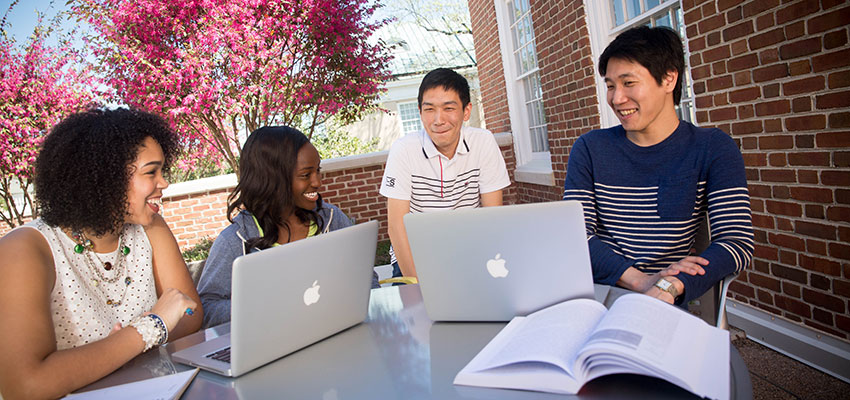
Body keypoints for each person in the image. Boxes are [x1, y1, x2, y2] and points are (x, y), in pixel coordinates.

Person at [0, 109, 201, 399]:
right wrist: (149, 329)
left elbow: (191, 313)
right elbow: (24, 386)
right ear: (106, 178)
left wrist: (113, 351)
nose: (164, 183)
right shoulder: (25, 248)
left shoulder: (150, 226)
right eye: (151, 172)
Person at [563, 26, 754, 305]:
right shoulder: (590, 148)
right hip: (594, 295)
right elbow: (575, 234)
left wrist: (671, 284)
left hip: (663, 301)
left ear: (668, 79)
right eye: (610, 85)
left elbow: (736, 242)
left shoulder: (712, 148)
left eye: (628, 83)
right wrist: (640, 280)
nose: (616, 99)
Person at [197, 126, 378, 328]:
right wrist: (260, 307)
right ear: (273, 179)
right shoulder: (234, 241)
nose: (317, 182)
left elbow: (367, 279)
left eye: (318, 170)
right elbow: (207, 309)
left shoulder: (332, 219)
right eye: (305, 175)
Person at [380, 68, 511, 280]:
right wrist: (419, 285)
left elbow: (492, 218)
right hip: (416, 258)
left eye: (448, 108)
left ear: (466, 111)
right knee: (419, 311)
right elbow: (396, 227)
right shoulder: (403, 150)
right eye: (429, 109)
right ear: (420, 112)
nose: (438, 120)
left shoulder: (483, 142)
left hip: (470, 253)